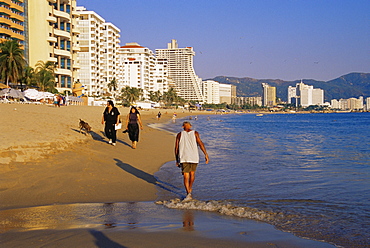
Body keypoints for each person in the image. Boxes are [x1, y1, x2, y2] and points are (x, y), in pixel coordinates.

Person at [175, 121, 209, 201]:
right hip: (194, 156)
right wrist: (206, 154)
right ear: (190, 126)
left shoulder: (179, 134)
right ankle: (190, 188)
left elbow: (176, 148)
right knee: (192, 173)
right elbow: (201, 144)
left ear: (183, 126)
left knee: (186, 175)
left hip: (184, 157)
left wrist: (177, 159)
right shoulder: (195, 133)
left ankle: (188, 193)